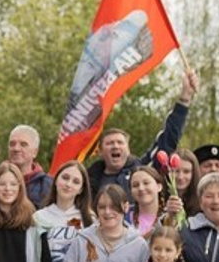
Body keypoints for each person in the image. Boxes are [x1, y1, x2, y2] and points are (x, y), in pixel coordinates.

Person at [84, 68, 199, 197]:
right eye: (110, 143)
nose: (116, 146)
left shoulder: (144, 168)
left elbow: (168, 138)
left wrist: (185, 98)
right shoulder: (88, 180)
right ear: (100, 151)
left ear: (128, 149)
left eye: (120, 142)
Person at [128, 165, 165, 235]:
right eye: (135, 185)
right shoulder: (123, 218)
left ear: (159, 186)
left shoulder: (169, 216)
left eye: (146, 183)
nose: (141, 188)